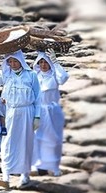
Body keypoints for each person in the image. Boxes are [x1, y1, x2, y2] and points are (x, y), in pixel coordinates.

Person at [0, 49, 41, 188]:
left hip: (27, 111)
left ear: (21, 61)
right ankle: (6, 176)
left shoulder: (31, 75)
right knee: (7, 143)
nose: (13, 64)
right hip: (10, 112)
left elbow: (38, 97)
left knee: (25, 142)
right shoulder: (5, 75)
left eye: (16, 61)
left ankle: (25, 175)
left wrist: (37, 116)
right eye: (10, 61)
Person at [31, 48, 69, 176]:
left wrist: (55, 61)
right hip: (38, 111)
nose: (43, 65)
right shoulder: (35, 76)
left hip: (52, 111)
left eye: (45, 62)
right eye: (40, 62)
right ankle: (39, 166)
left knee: (53, 139)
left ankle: (54, 166)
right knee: (37, 139)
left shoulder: (54, 75)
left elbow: (64, 78)